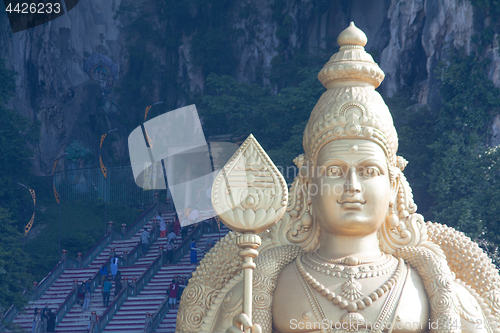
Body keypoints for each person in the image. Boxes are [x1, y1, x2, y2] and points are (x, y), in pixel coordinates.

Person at [176, 23, 500, 333]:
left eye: (369, 171)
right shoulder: (265, 283)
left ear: (394, 184)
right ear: (307, 184)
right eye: (334, 171)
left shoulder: (430, 283)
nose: (352, 187)